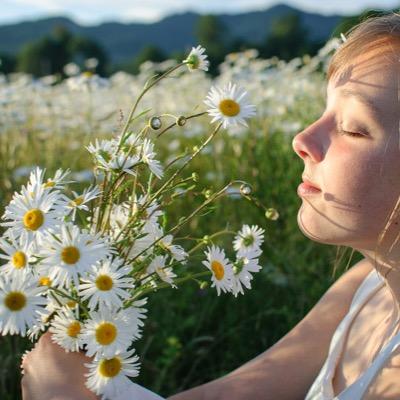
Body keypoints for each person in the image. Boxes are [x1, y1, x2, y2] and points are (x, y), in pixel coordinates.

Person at [21, 12, 400, 399]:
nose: (301, 139)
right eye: (324, 113)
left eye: (353, 127)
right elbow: (228, 394)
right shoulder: (368, 286)